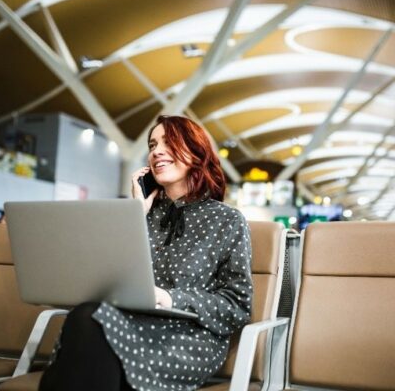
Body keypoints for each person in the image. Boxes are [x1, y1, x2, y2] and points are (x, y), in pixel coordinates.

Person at [39, 115, 253, 391]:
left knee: (89, 328)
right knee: (87, 316)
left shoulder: (227, 220)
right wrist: (136, 214)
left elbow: (237, 306)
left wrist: (169, 298)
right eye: (152, 145)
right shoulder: (143, 214)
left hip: (186, 339)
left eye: (169, 142)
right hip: (128, 324)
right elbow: (103, 279)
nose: (157, 151)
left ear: (196, 152)